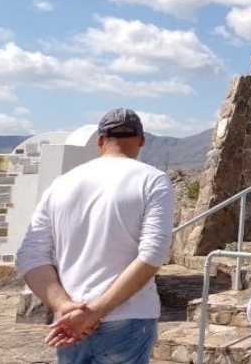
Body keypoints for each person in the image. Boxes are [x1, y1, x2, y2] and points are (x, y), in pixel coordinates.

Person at [15, 108, 175, 364]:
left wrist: (64, 307)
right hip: (127, 318)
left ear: (100, 141)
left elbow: (29, 254)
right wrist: (94, 312)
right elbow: (153, 253)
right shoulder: (152, 180)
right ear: (141, 141)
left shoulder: (61, 184)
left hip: (70, 324)